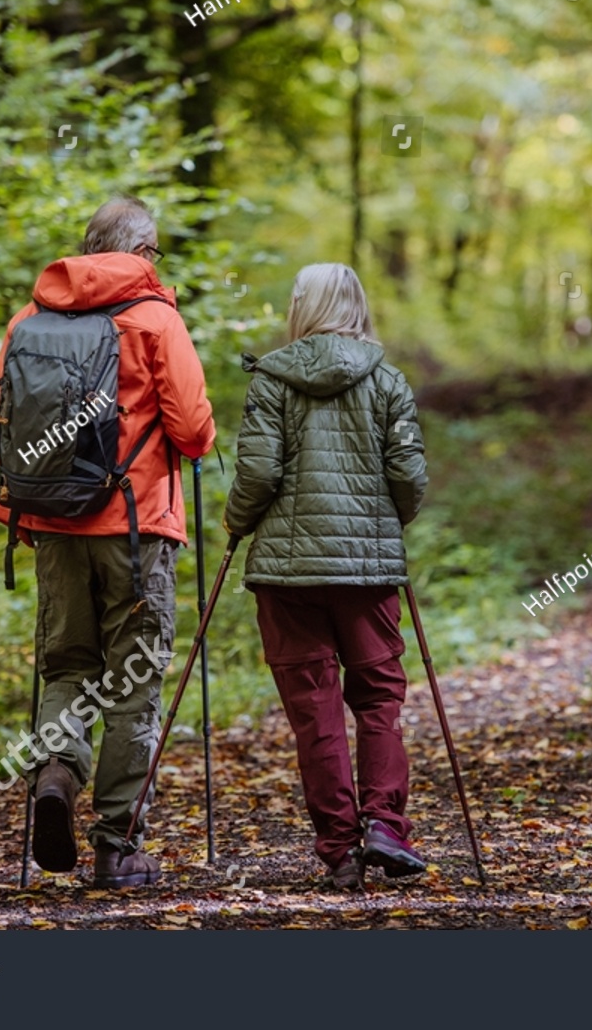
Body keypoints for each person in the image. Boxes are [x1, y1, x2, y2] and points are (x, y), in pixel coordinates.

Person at [0, 196, 216, 888]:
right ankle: (118, 844)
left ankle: (56, 771)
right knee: (133, 683)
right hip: (135, 529)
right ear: (143, 253)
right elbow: (194, 428)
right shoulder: (153, 319)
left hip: (52, 526)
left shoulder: (31, 320)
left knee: (66, 667)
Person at [223, 263, 429, 890]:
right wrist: (390, 524)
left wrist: (236, 524)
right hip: (366, 572)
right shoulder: (388, 380)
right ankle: (385, 827)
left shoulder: (271, 381)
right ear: (358, 304)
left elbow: (257, 477)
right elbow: (410, 477)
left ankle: (340, 850)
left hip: (288, 575)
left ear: (300, 307)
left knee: (314, 709)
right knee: (377, 699)